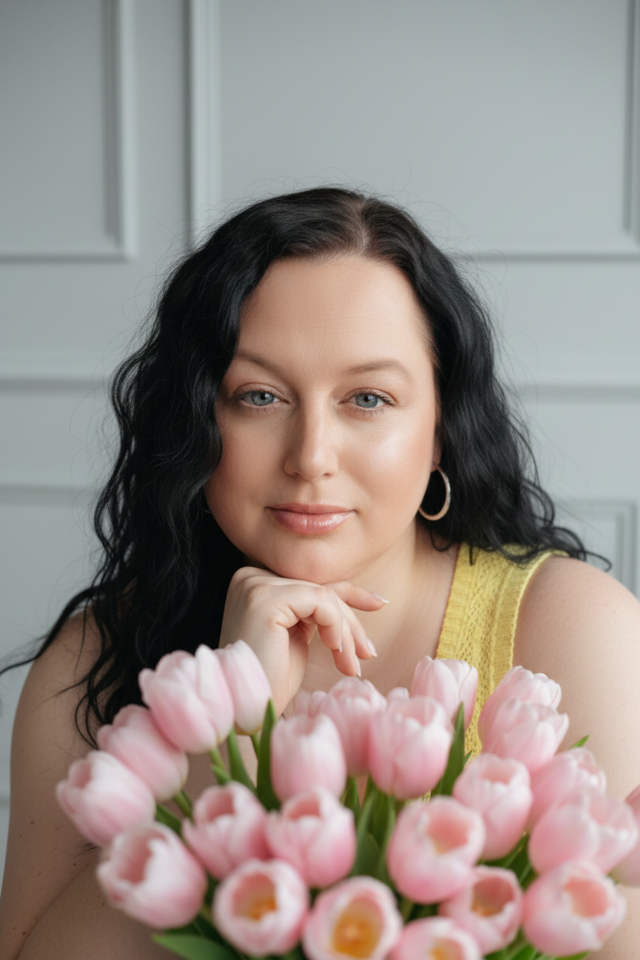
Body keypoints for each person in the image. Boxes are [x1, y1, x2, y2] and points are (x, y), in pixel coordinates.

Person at [1, 188, 639, 959]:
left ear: (442, 427)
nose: (310, 458)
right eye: (258, 396)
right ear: (196, 419)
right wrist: (222, 740)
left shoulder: (575, 630)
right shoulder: (91, 660)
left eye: (367, 398)